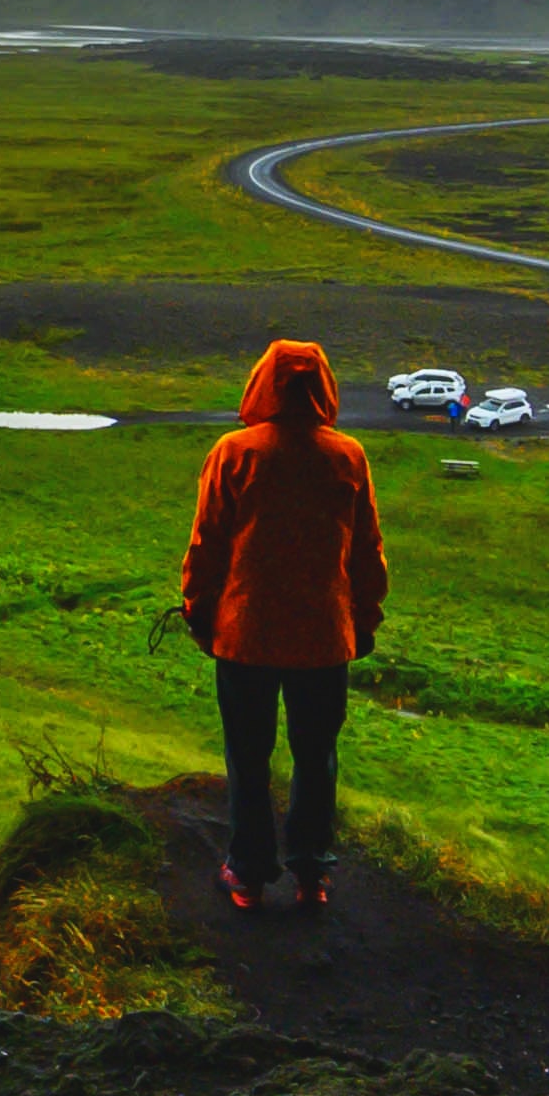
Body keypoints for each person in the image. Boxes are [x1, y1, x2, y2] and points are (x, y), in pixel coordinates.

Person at [179, 336, 387, 913]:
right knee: (316, 755)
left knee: (247, 755)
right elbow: (366, 551)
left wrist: (199, 614)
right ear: (324, 389)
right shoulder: (347, 456)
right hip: (324, 637)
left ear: (262, 383)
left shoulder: (235, 452)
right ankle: (312, 874)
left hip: (245, 634)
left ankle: (246, 875)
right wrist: (364, 618)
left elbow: (208, 545)